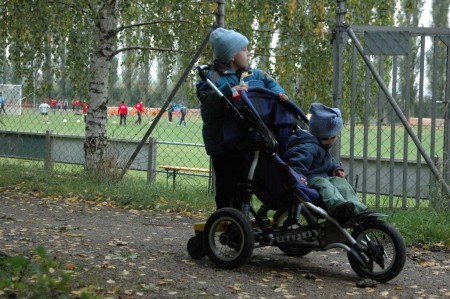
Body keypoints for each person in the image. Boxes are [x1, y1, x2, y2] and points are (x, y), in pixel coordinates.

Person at [196, 27, 289, 210]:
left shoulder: (252, 73)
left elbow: (270, 82)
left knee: (246, 181)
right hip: (222, 142)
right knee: (227, 184)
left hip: (245, 138)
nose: (248, 53)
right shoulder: (213, 78)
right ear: (232, 55)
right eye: (244, 49)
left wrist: (279, 93)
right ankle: (225, 216)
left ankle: (241, 214)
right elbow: (207, 99)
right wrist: (228, 92)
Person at [283, 103, 368, 224]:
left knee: (341, 182)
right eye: (336, 135)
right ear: (327, 136)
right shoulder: (308, 148)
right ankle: (338, 208)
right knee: (324, 184)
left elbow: (328, 160)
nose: (337, 136)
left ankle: (358, 208)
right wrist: (299, 178)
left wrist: (336, 168)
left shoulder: (321, 145)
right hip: (310, 179)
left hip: (323, 176)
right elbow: (296, 164)